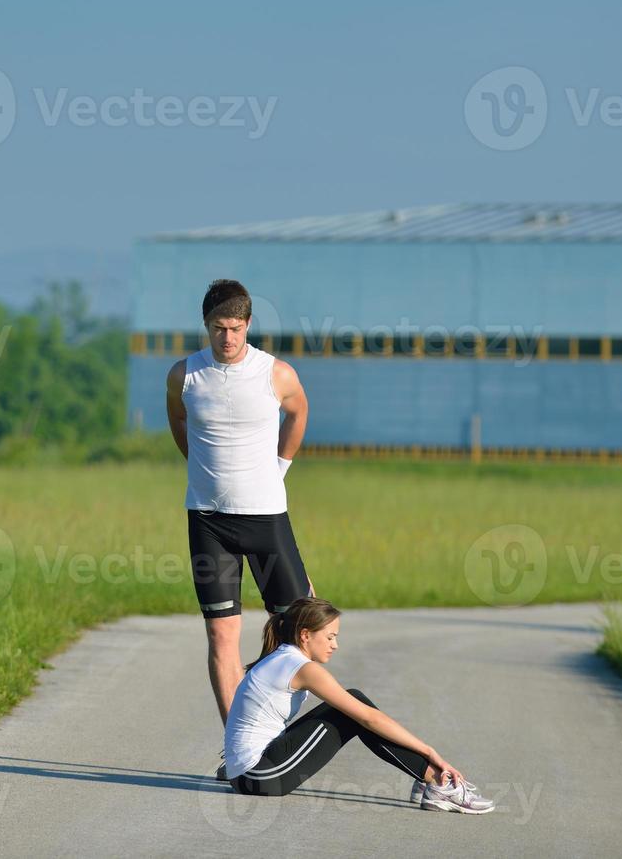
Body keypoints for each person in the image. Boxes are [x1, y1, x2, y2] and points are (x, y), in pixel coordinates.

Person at [165, 279, 314, 736]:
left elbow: (299, 412)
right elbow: (178, 418)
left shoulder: (276, 373)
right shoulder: (184, 375)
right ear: (205, 326)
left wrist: (280, 465)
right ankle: (239, 745)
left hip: (265, 517)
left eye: (234, 328)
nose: (226, 338)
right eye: (217, 328)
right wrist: (200, 465)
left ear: (248, 324)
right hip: (208, 522)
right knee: (221, 635)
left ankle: (276, 724)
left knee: (301, 629)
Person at [222, 596, 496, 813]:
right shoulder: (301, 668)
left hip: (250, 772)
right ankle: (437, 781)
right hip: (260, 776)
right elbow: (368, 718)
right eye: (329, 637)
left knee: (351, 702)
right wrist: (430, 751)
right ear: (305, 635)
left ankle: (428, 778)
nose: (335, 645)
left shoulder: (283, 657)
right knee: (354, 710)